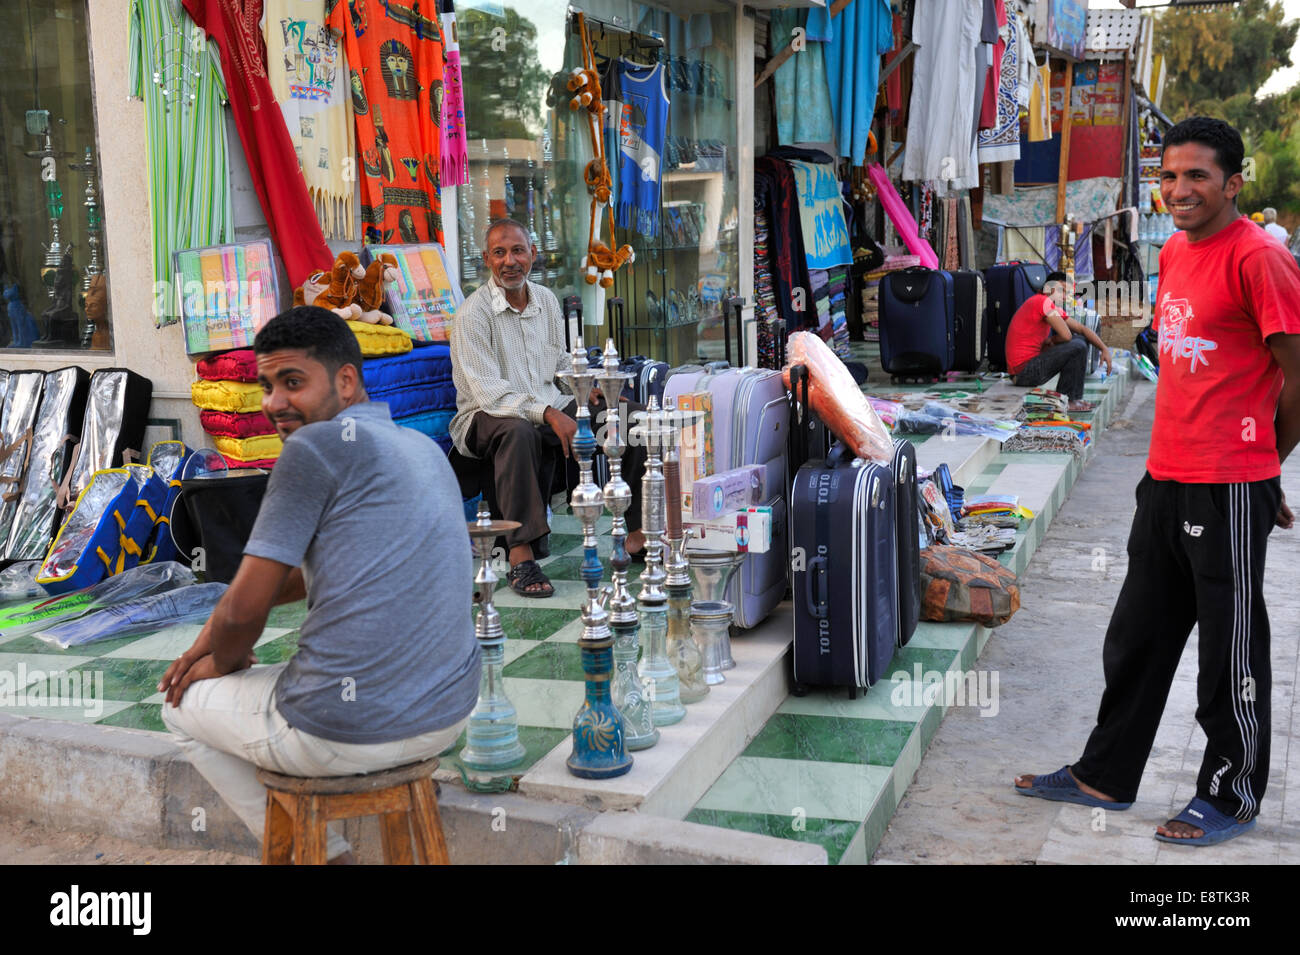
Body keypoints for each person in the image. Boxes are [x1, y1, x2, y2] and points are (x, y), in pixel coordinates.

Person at [1015, 116, 1300, 846]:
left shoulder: (1260, 259)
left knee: (1229, 650)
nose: (1179, 189)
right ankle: (1105, 773)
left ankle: (1230, 794)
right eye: (1170, 175)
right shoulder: (1174, 252)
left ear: (1233, 183)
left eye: (1198, 176)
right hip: (1165, 476)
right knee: (1137, 636)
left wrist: (1267, 466)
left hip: (1229, 483)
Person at [160, 306, 479, 864]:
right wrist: (203, 641)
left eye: (292, 382)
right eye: (265, 385)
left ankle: (328, 857)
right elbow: (295, 578)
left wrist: (222, 660)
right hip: (448, 713)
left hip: (342, 729)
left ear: (346, 381)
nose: (273, 403)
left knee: (177, 704)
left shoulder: (314, 448)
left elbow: (244, 613)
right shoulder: (422, 448)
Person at [450, 218, 646, 598]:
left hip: (546, 404)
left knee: (629, 417)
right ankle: (521, 556)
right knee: (517, 428)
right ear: (487, 260)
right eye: (500, 253)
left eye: (518, 250)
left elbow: (559, 368)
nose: (510, 261)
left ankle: (637, 535)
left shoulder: (545, 301)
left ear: (533, 255)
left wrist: (585, 389)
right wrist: (551, 414)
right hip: (483, 418)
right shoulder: (473, 314)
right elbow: (490, 393)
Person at [1004, 270, 1113, 412]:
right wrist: (1053, 340)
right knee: (1077, 346)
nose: (1063, 295)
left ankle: (1073, 399)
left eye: (1065, 292)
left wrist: (1104, 348)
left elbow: (1081, 328)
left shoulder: (1049, 305)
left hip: (1027, 370)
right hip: (1022, 373)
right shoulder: (1042, 301)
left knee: (1079, 340)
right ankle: (1068, 400)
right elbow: (1066, 336)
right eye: (1060, 289)